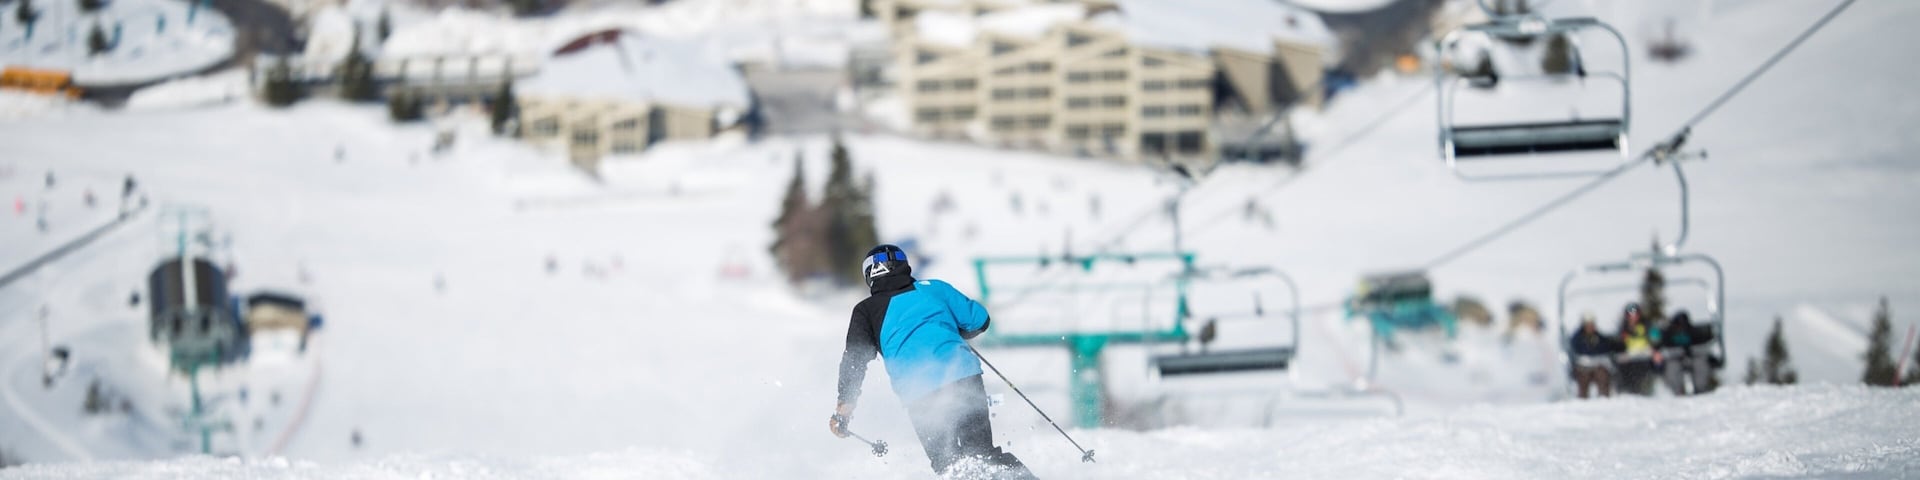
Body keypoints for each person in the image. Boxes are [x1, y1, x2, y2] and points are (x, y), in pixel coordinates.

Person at [830, 244, 1035, 479]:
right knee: (982, 454)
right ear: (904, 266)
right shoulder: (934, 289)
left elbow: (854, 361)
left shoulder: (866, 311)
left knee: (948, 463)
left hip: (918, 391)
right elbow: (980, 320)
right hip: (962, 376)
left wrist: (844, 408)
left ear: (869, 276)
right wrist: (952, 329)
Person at [1659, 310, 1717, 395]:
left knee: (1700, 364)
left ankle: (1700, 390)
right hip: (1675, 359)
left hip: (1694, 357)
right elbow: (1662, 348)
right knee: (1672, 367)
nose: (1681, 327)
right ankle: (1678, 392)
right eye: (1679, 324)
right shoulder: (1668, 334)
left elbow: (1704, 343)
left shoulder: (1694, 332)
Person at [1614, 303, 1662, 395]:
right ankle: (1626, 392)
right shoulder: (1623, 328)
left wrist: (1655, 350)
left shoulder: (1647, 325)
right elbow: (1618, 345)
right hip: (1630, 357)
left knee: (1647, 370)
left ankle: (1648, 390)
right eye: (1630, 315)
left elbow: (1656, 339)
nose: (1633, 318)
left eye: (1635, 315)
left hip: (1646, 355)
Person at [1568, 313, 1618, 399]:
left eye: (1592, 324)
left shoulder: (1599, 337)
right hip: (1582, 367)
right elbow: (1578, 350)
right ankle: (1582, 400)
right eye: (1588, 324)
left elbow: (1606, 347)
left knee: (1603, 374)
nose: (1590, 327)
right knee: (1583, 378)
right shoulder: (1577, 338)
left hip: (1597, 365)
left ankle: (1605, 399)